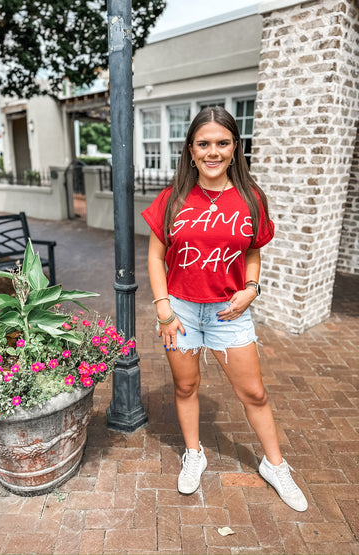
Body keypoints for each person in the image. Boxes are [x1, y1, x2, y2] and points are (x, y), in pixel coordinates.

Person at [142, 106, 308, 512]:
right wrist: (163, 308)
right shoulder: (172, 198)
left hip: (228, 314)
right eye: (204, 144)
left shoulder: (251, 198)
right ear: (191, 149)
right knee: (186, 387)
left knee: (254, 392)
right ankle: (194, 453)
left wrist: (252, 288)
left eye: (222, 143)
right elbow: (154, 257)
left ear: (235, 148)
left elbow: (253, 252)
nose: (212, 151)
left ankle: (275, 465)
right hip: (180, 311)